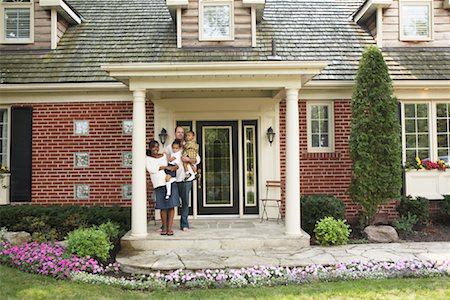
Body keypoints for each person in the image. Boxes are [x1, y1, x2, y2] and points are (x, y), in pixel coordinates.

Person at [165, 126, 201, 231]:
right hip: (173, 178)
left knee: (185, 201)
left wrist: (188, 159)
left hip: (186, 177)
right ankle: (166, 225)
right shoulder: (169, 147)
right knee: (170, 201)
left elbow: (197, 159)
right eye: (178, 132)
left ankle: (184, 224)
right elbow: (165, 160)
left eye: (182, 132)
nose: (180, 134)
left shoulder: (189, 145)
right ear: (175, 133)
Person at [146, 140, 180, 236]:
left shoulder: (165, 155)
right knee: (163, 207)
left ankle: (169, 228)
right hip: (159, 184)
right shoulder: (147, 158)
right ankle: (164, 228)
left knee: (171, 205)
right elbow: (151, 169)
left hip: (170, 182)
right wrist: (164, 167)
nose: (156, 149)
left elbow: (174, 166)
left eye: (157, 146)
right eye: (153, 147)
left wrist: (169, 171)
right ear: (150, 148)